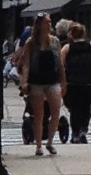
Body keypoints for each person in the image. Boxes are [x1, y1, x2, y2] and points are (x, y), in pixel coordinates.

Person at [12, 14, 63, 155]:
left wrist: (63, 81)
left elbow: (60, 63)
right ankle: (39, 145)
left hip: (52, 80)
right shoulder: (31, 42)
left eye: (50, 22)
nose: (49, 25)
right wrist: (25, 82)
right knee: (39, 114)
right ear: (39, 25)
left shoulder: (55, 42)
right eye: (46, 22)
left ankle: (50, 142)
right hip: (37, 81)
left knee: (56, 111)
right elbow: (27, 63)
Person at [61, 20, 91, 143]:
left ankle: (75, 134)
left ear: (70, 34)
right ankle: (83, 131)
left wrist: (61, 82)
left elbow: (60, 65)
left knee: (74, 108)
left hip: (72, 82)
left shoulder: (67, 48)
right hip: (90, 81)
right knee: (85, 107)